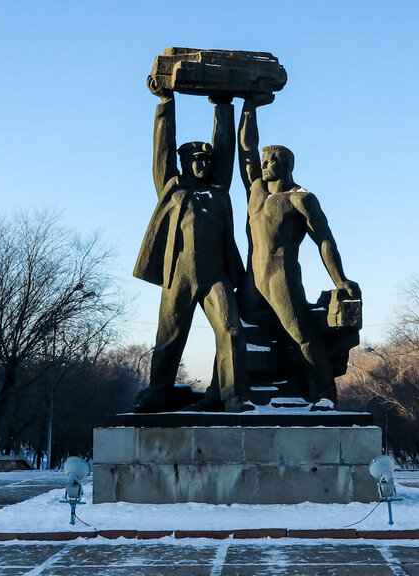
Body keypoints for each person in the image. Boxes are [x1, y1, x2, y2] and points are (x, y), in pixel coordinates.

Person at [132, 77, 251, 413]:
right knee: (170, 337)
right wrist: (166, 103)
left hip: (216, 274)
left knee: (231, 330)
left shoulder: (218, 192)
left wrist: (224, 106)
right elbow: (163, 150)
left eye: (206, 159)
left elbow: (225, 149)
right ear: (185, 162)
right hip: (179, 274)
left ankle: (232, 395)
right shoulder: (173, 188)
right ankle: (158, 391)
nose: (203, 163)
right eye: (196, 158)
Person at [237, 93, 360, 408]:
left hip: (281, 274)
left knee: (300, 333)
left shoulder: (300, 198)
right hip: (252, 278)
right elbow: (246, 148)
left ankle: (324, 393)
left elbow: (324, 239)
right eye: (264, 161)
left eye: (271, 161)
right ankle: (243, 393)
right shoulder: (256, 191)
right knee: (241, 336)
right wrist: (249, 106)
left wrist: (341, 279)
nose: (264, 165)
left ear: (286, 164)